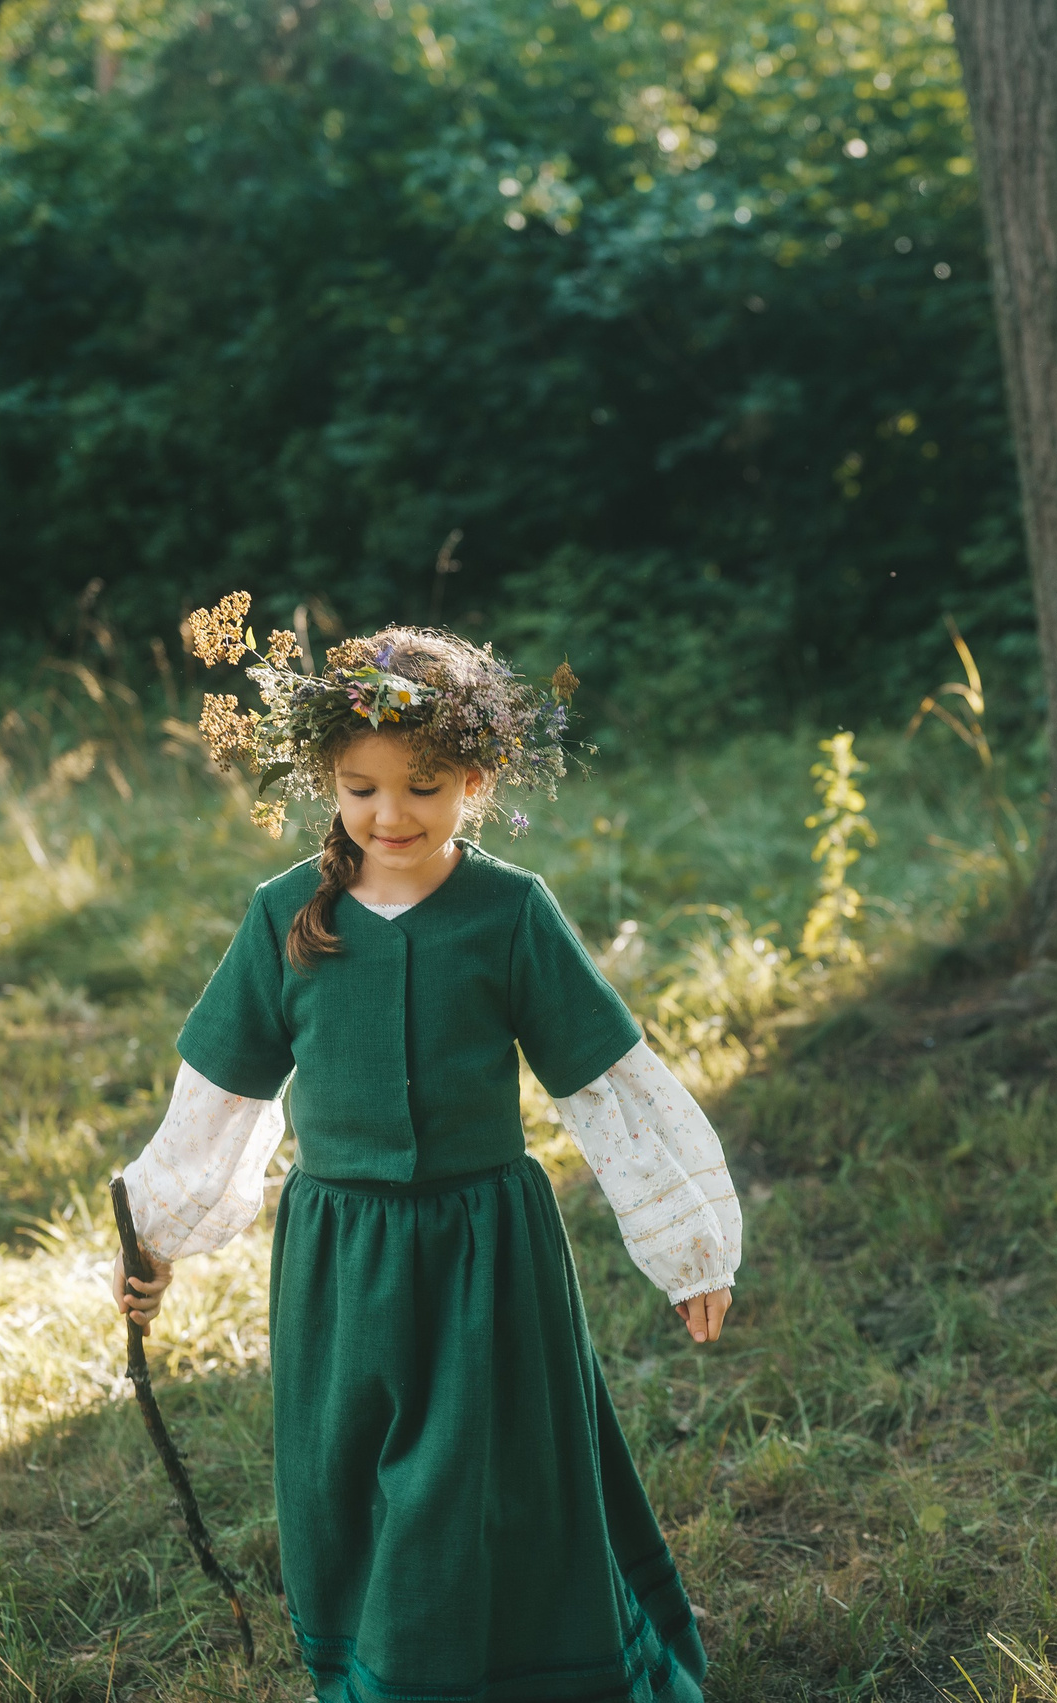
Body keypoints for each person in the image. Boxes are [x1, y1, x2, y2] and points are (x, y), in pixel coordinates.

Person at [113, 611, 738, 1703]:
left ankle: (486, 1673)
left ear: (478, 779)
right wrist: (151, 1237)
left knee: (467, 1482)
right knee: (349, 1478)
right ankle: (374, 1672)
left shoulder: (509, 911)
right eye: (361, 787)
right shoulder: (283, 918)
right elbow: (216, 1099)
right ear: (327, 782)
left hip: (482, 1252)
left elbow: (608, 1084)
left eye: (425, 785)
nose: (389, 814)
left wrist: (690, 1243)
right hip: (340, 1259)